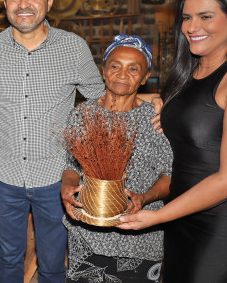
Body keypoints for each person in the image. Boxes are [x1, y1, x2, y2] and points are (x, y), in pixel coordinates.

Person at [0, 0, 105, 282]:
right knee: (10, 258)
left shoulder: (72, 48)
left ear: (49, 2)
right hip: (5, 175)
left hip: (56, 178)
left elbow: (99, 101)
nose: (24, 4)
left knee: (53, 262)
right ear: (5, 4)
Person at [119, 0, 227, 282]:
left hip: (222, 224)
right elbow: (193, 115)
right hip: (179, 218)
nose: (191, 27)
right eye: (187, 17)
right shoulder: (188, 75)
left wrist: (159, 215)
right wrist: (153, 99)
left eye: (206, 16)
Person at [61, 34, 172, 283]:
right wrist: (67, 186)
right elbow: (70, 167)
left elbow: (170, 175)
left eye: (134, 69)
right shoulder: (84, 113)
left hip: (139, 237)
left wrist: (145, 197)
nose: (123, 74)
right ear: (103, 71)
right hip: (87, 235)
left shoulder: (155, 120)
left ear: (145, 77)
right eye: (115, 66)